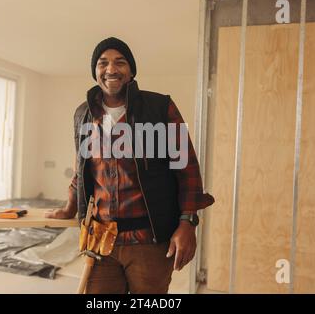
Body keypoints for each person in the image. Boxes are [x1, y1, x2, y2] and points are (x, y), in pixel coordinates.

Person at [45, 37, 214, 294]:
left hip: (150, 240)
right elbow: (82, 170)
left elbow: (187, 168)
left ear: (131, 71)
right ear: (95, 72)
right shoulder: (83, 114)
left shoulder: (160, 107)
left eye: (120, 62)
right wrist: (70, 205)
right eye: (103, 63)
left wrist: (188, 222)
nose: (111, 69)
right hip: (101, 240)